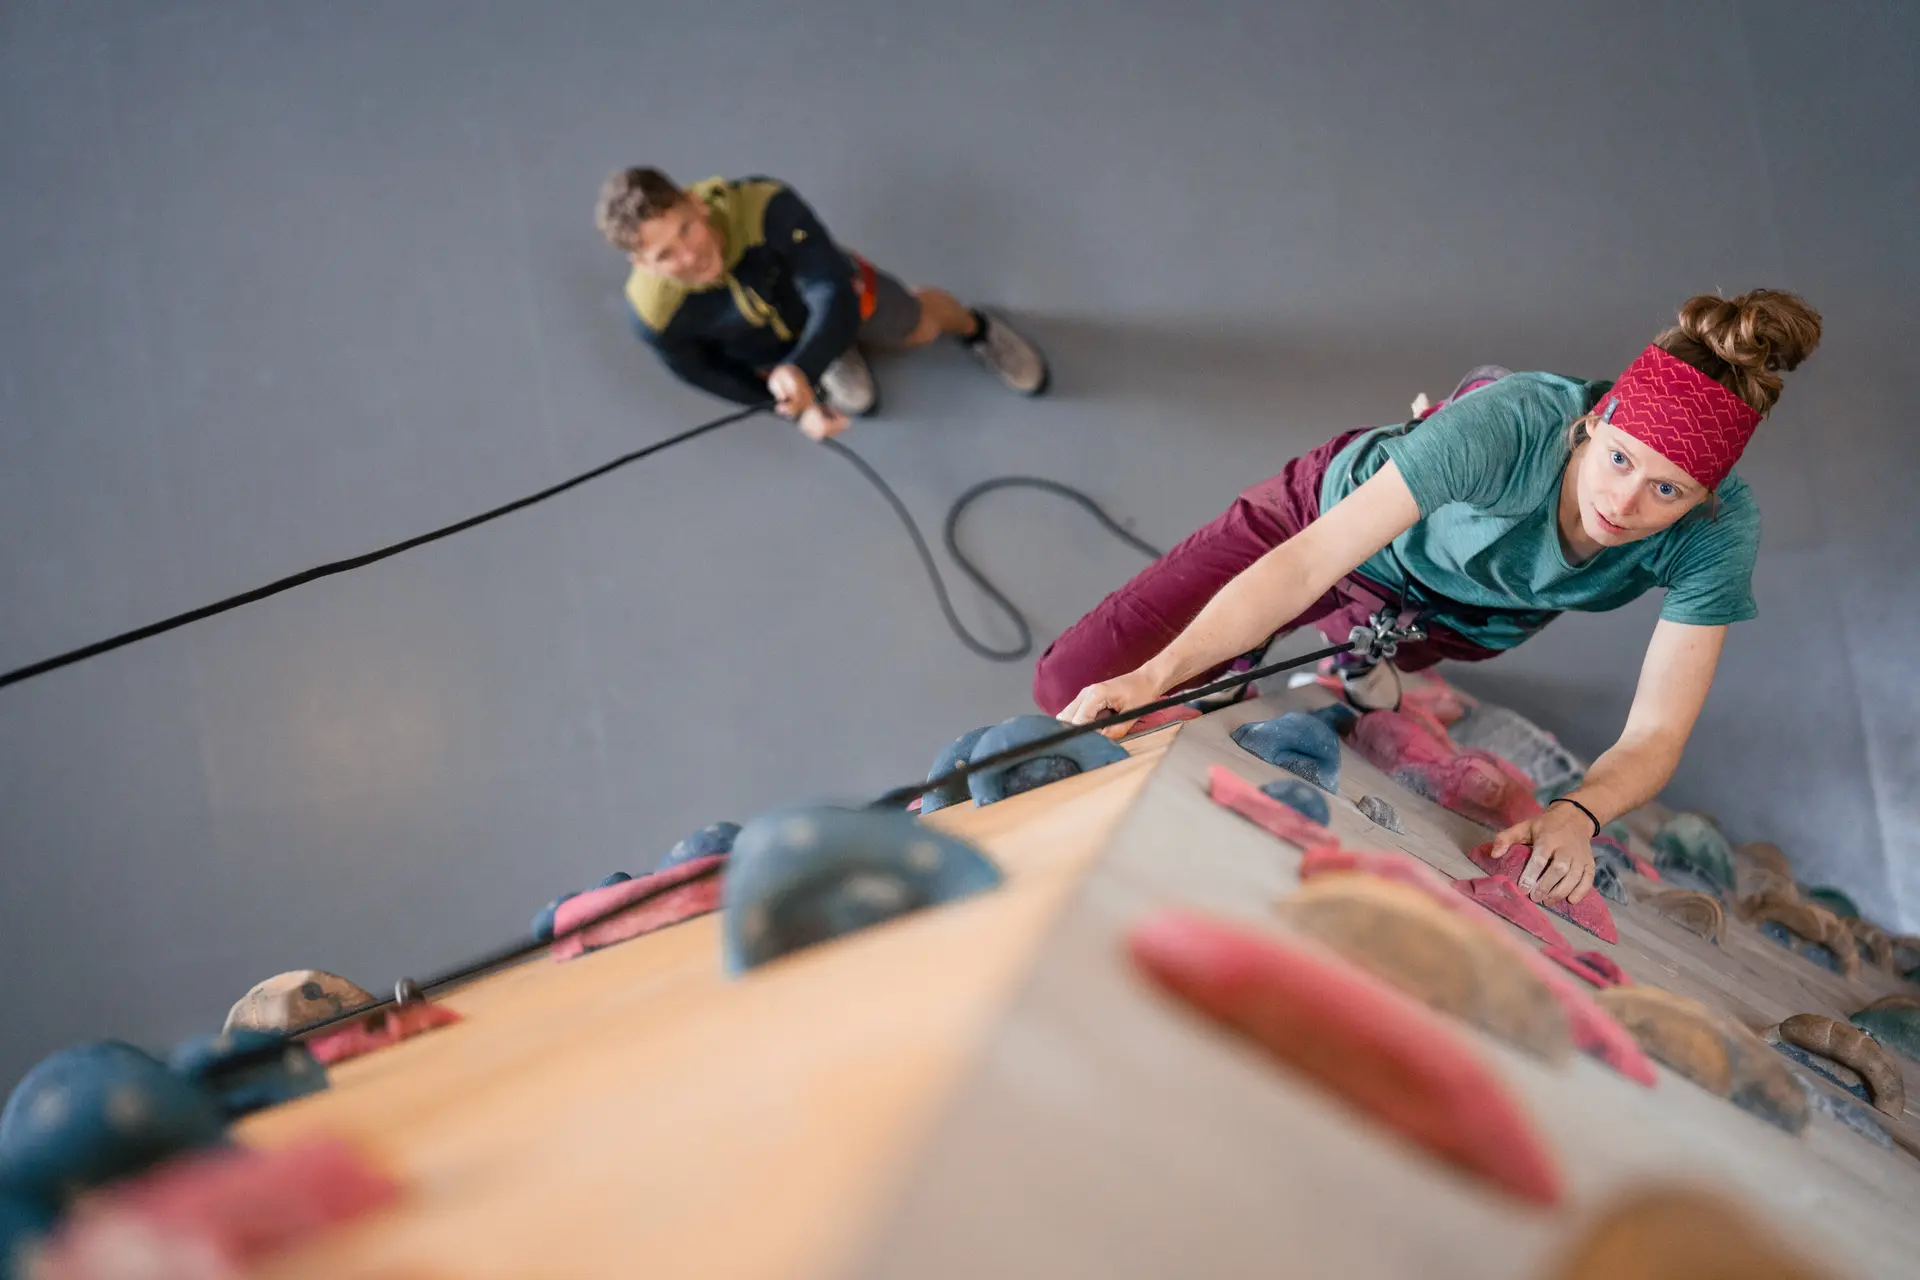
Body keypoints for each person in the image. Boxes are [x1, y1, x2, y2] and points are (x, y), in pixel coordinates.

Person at [1042, 289, 1822, 909]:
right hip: (1326, 522)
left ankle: (1370, 666)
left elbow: (1656, 730)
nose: (1624, 503)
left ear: (1704, 496)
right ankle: (1333, 662)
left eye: (1666, 490)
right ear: (1593, 424)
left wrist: (1579, 814)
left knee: (1334, 668)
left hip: (1466, 610)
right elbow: (1310, 559)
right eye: (1618, 459)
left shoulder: (1720, 532)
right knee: (1074, 681)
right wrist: (1152, 676)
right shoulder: (1511, 423)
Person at [593, 167, 1049, 441]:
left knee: (922, 327)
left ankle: (977, 328)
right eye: (665, 255)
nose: (690, 257)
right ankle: (833, 356)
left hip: (831, 297)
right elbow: (703, 373)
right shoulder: (652, 316)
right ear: (641, 264)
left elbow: (832, 290)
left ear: (696, 203)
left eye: (686, 230)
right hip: (777, 354)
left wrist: (804, 369)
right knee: (839, 386)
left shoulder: (767, 207)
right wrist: (799, 409)